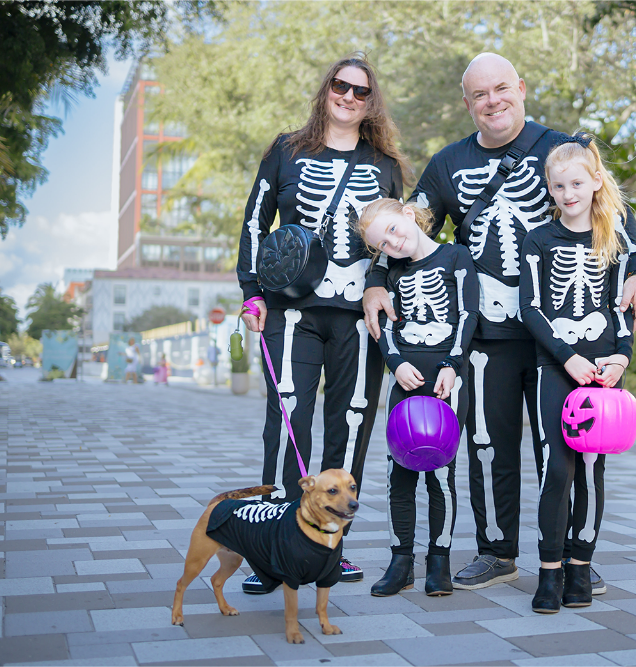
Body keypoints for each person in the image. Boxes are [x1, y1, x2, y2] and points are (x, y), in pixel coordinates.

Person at [363, 53, 636, 592]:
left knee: (562, 446)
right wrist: (377, 277)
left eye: (501, 89)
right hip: (486, 334)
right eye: (480, 94)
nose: (492, 101)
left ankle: (569, 556)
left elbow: (616, 214)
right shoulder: (448, 164)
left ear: (520, 88)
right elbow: (405, 225)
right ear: (466, 103)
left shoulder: (564, 149)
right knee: (487, 445)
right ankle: (497, 550)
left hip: (564, 340)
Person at [236, 54, 408, 588]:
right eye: (341, 86)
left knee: (352, 423)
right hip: (293, 311)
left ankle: (331, 551)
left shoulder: (385, 165)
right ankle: (271, 549)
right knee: (287, 421)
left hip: (359, 316)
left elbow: (395, 243)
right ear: (326, 90)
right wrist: (251, 292)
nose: (349, 97)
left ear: (371, 102)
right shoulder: (287, 152)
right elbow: (253, 221)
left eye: (361, 92)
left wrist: (384, 290)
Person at [519, 134, 634, 613]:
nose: (568, 194)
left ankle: (580, 566)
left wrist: (622, 357)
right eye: (558, 185)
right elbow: (531, 307)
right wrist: (567, 357)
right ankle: (549, 570)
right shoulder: (539, 239)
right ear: (550, 188)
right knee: (556, 470)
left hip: (604, 371)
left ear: (594, 182)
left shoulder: (615, 237)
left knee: (591, 470)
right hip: (556, 366)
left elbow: (621, 307)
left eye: (576, 183)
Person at [356, 198, 479, 597]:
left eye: (393, 230)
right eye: (383, 244)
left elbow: (467, 314)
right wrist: (394, 363)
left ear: (408, 215)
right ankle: (401, 561)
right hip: (405, 382)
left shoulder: (456, 257)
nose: (393, 244)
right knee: (399, 474)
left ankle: (438, 561)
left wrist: (452, 364)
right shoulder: (390, 272)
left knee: (442, 473)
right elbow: (385, 326)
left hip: (446, 382)